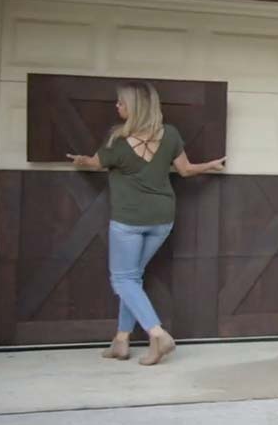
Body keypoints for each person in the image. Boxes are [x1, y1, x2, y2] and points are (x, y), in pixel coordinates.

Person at [67, 81, 225, 365]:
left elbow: (94, 163)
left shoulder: (117, 141)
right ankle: (121, 341)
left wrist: (81, 160)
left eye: (121, 103)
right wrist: (209, 165)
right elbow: (186, 171)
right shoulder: (171, 135)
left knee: (123, 279)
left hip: (129, 222)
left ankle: (158, 334)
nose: (117, 107)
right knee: (134, 278)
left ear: (134, 108)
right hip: (162, 220)